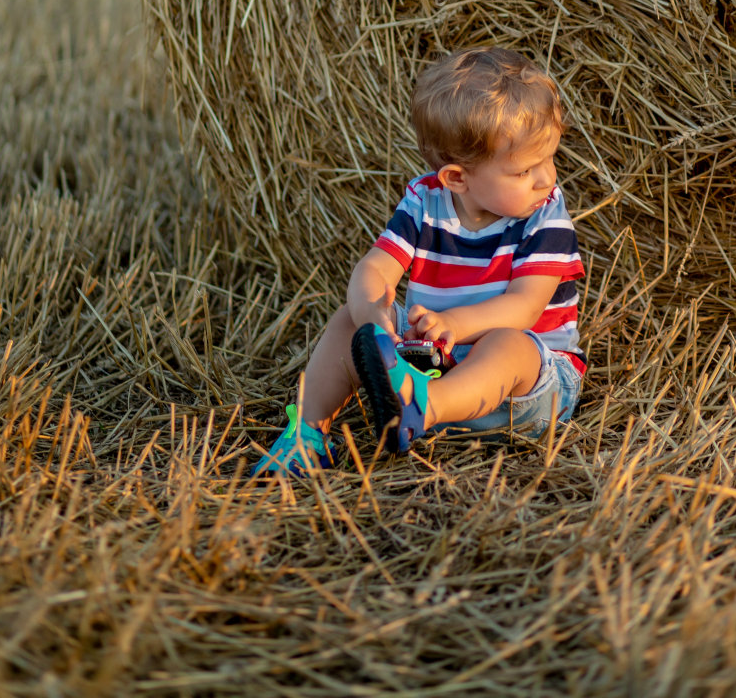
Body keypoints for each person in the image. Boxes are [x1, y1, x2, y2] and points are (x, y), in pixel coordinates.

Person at [251, 46, 586, 474]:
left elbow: (525, 307)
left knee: (507, 344)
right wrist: (376, 321)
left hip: (530, 392)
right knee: (347, 321)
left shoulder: (545, 214)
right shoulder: (425, 203)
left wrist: (457, 326)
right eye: (524, 170)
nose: (546, 177)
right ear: (457, 178)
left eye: (549, 158)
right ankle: (308, 434)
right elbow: (375, 268)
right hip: (435, 363)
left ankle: (419, 410)